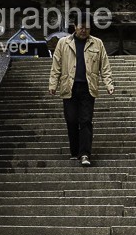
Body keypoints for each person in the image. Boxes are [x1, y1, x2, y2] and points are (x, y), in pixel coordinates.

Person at [48, 22, 115, 166]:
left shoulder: (97, 43)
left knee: (85, 120)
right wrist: (53, 84)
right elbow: (56, 65)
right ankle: (74, 151)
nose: (84, 30)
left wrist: (108, 84)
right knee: (71, 120)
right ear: (74, 26)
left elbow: (105, 66)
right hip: (69, 86)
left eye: (87, 28)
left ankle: (85, 154)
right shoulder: (63, 43)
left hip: (88, 87)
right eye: (81, 27)